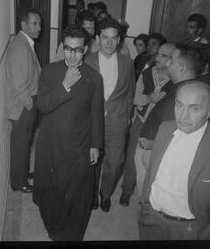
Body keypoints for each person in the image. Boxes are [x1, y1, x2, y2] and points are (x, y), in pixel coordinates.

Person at [33, 24, 104, 241]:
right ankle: (54, 229)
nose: (73, 55)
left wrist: (95, 145)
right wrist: (65, 85)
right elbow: (43, 106)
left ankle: (74, 232)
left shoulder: (94, 77)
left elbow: (96, 114)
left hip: (80, 144)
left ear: (86, 49)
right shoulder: (49, 71)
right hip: (51, 143)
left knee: (77, 190)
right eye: (68, 49)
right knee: (52, 189)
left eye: (78, 49)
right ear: (63, 47)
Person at [138, 80, 210, 240]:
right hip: (150, 220)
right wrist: (144, 204)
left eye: (194, 108)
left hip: (188, 230)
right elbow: (152, 172)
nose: (183, 116)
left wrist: (208, 236)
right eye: (179, 105)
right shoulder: (165, 128)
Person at [135, 44, 206, 197]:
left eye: (171, 60)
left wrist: (149, 144)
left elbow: (179, 136)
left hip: (154, 153)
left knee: (148, 197)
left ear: (182, 69)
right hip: (154, 150)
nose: (167, 63)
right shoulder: (187, 88)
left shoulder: (183, 96)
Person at [85, 18, 135, 212]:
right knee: (91, 162)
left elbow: (130, 92)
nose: (109, 42)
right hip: (91, 121)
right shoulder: (87, 60)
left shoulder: (127, 63)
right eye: (105, 37)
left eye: (113, 38)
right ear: (97, 38)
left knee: (115, 162)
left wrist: (127, 116)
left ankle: (105, 194)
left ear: (119, 39)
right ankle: (91, 195)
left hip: (117, 121)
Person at [119, 43, 175, 206]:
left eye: (164, 56)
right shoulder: (146, 74)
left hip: (161, 128)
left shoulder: (175, 80)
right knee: (130, 159)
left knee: (154, 162)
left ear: (173, 60)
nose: (157, 58)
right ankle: (126, 191)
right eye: (158, 54)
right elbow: (135, 99)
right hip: (141, 122)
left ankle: (147, 196)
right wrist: (149, 98)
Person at [5, 9, 41, 193]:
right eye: (35, 23)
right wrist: (29, 104)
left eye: (39, 23)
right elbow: (18, 83)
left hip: (25, 104)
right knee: (20, 146)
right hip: (22, 106)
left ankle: (22, 176)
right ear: (24, 25)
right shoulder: (20, 46)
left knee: (24, 143)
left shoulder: (24, 42)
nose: (39, 27)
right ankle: (19, 183)